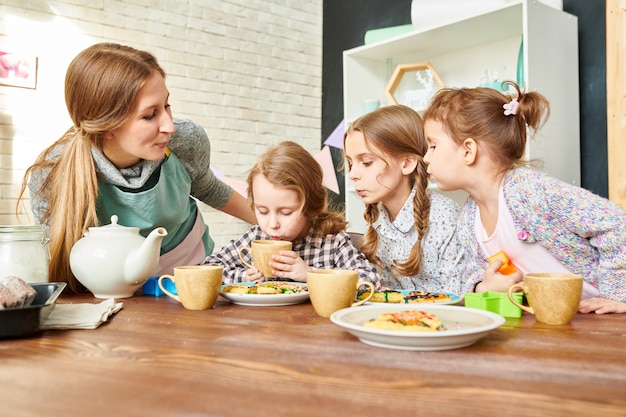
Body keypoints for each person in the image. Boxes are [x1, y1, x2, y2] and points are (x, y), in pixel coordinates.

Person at [18, 43, 256, 293]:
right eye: (150, 115)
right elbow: (53, 257)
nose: (169, 126)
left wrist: (277, 223)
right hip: (108, 289)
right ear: (107, 126)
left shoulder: (184, 141)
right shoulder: (53, 172)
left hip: (191, 277)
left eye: (166, 105)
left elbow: (209, 188)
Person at [422, 81, 626, 314]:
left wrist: (617, 297)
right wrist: (482, 286)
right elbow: (475, 272)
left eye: (433, 146)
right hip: (559, 321)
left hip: (603, 316)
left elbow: (616, 224)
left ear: (468, 150)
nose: (426, 157)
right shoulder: (469, 218)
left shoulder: (529, 190)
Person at [203, 141, 381, 286]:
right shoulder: (255, 238)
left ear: (311, 206)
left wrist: (311, 274)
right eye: (262, 211)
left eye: (286, 212)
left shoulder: (332, 242)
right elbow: (206, 269)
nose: (272, 224)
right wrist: (243, 277)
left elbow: (371, 280)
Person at [343, 105, 465, 294]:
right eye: (351, 163)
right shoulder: (379, 221)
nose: (352, 174)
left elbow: (460, 297)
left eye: (366, 162)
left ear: (407, 164)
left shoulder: (445, 216)